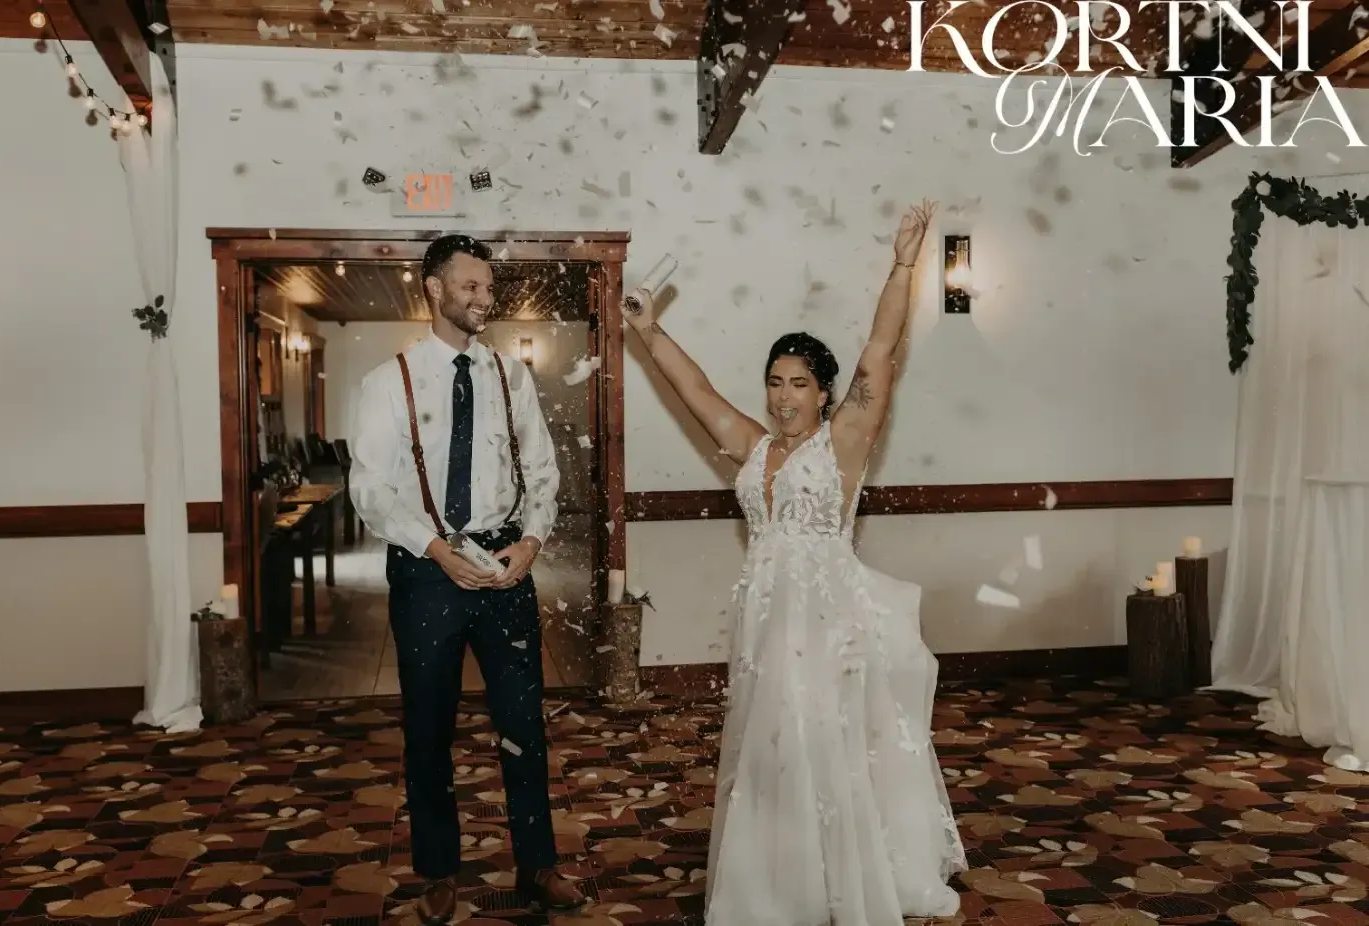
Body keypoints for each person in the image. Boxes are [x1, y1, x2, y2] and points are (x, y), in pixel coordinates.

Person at [623, 202, 966, 924]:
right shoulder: (753, 448)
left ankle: (834, 880)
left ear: (824, 393)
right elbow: (697, 394)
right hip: (766, 617)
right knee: (771, 747)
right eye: (776, 382)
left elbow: (878, 352)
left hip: (826, 618)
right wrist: (649, 329)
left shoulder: (843, 445)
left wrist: (902, 267)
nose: (783, 397)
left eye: (799, 384)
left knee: (822, 741)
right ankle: (774, 884)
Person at [349, 235, 587, 924]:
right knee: (429, 728)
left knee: (524, 725)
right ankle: (438, 871)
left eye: (489, 288)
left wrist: (533, 541)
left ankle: (537, 864)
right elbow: (370, 488)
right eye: (472, 287)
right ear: (433, 288)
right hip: (426, 573)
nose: (486, 299)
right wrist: (431, 546)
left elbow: (541, 472)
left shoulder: (512, 378)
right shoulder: (387, 382)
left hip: (505, 568)